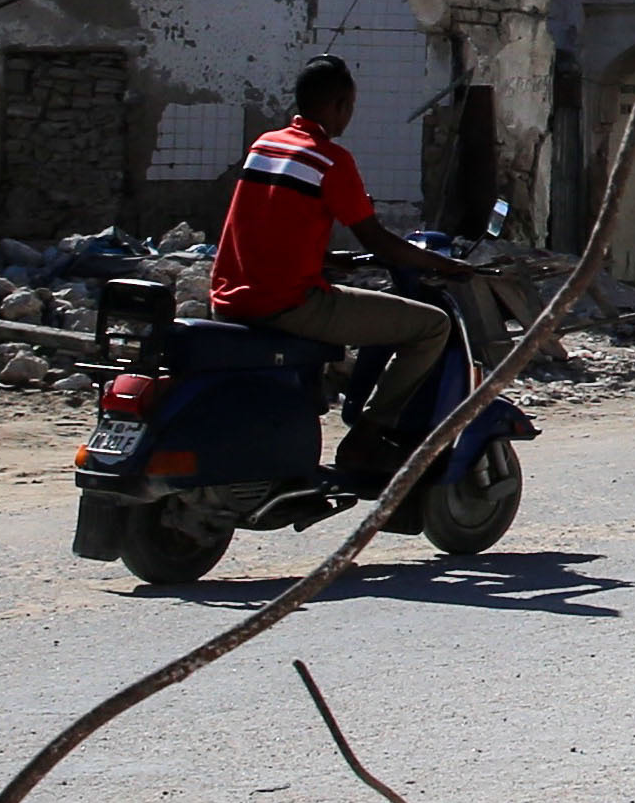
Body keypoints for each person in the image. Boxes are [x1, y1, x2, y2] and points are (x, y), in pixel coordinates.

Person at [210, 55, 497, 486]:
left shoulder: (266, 145)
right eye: (351, 105)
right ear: (340, 105)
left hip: (230, 297)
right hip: (288, 304)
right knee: (431, 326)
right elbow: (377, 240)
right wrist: (443, 265)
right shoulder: (330, 160)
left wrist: (326, 260)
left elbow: (269, 223)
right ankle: (370, 434)